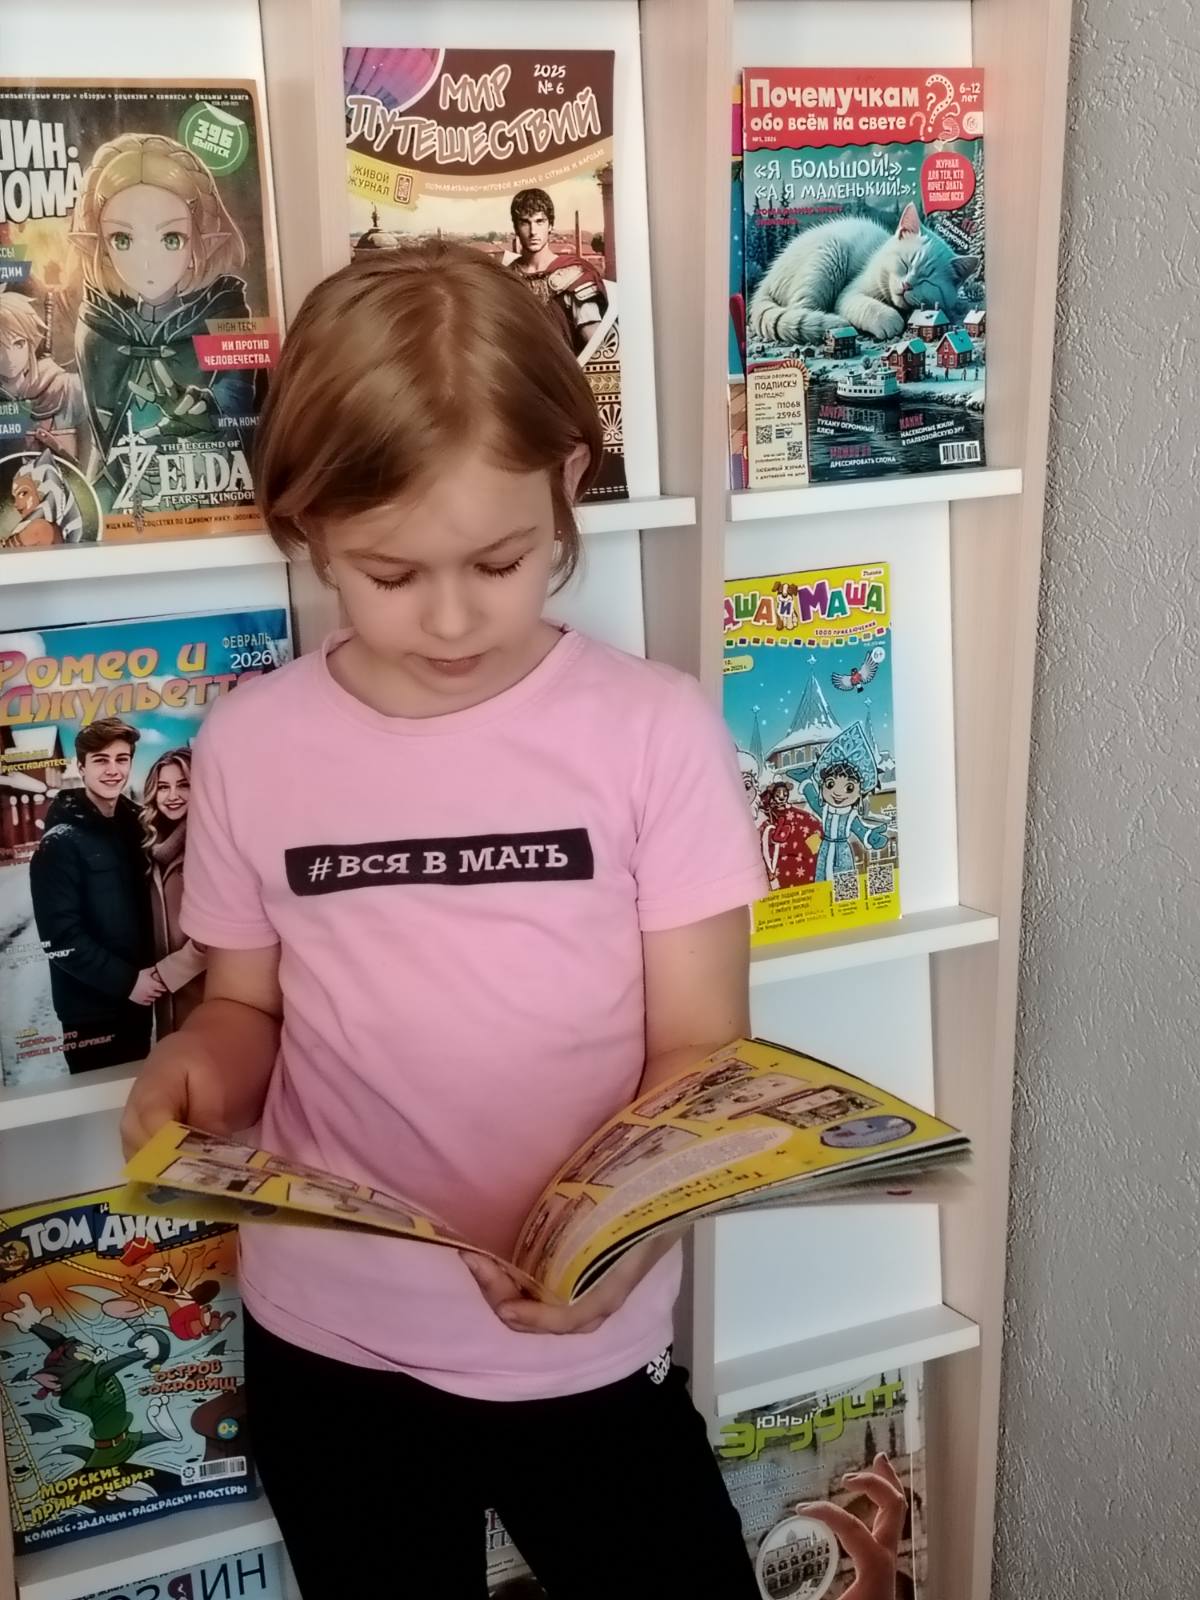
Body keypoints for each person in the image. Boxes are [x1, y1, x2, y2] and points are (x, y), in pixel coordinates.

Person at [121, 241, 768, 1598]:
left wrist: (637, 1236)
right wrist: (194, 1077)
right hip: (331, 1341)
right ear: (307, 529)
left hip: (581, 1336)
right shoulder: (254, 743)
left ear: (568, 486)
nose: (453, 617)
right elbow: (246, 1006)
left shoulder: (653, 734)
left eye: (500, 558)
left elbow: (701, 1051)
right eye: (389, 573)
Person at [67, 131, 259, 506]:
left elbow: (239, 395)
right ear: (101, 247)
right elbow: (99, 427)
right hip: (118, 494)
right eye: (122, 239)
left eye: (171, 238)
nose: (147, 261)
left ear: (200, 240)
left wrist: (206, 411)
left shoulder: (224, 313)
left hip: (206, 491)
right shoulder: (98, 324)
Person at [30, 717, 162, 1072]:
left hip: (138, 1002)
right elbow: (59, 939)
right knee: (97, 1098)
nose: (113, 770)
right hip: (89, 1011)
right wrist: (128, 982)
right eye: (101, 760)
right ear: (81, 767)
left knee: (136, 1091)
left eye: (121, 759)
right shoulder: (59, 842)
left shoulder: (138, 829)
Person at [140, 747, 207, 1036]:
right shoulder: (155, 847)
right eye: (163, 787)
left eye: (183, 785)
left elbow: (227, 925)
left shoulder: (209, 844)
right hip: (168, 992)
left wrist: (169, 972)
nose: (172, 796)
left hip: (205, 987)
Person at [507, 187, 608, 357]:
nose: (533, 231)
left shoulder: (574, 274)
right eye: (525, 222)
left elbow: (596, 345)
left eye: (540, 221)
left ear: (550, 226)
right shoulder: (505, 279)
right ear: (516, 227)